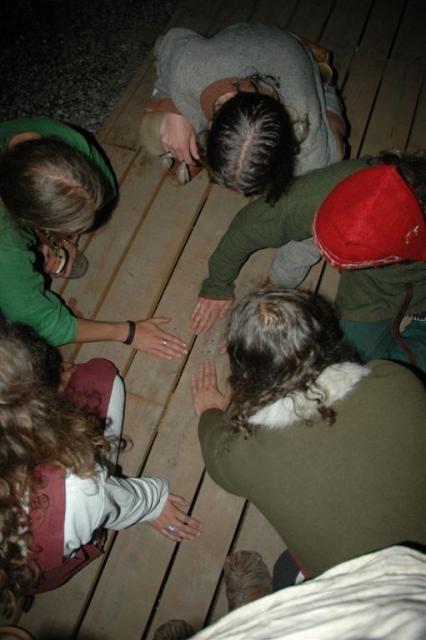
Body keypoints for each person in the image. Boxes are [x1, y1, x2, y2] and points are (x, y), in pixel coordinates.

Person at [191, 288, 426, 579]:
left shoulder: (243, 454)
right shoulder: (396, 379)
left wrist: (210, 411)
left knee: (286, 569)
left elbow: (217, 455)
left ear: (247, 374)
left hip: (360, 590)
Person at [0, 322, 201, 613]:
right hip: (52, 545)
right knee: (100, 374)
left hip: (20, 569)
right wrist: (154, 502)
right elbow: (119, 501)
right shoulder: (69, 488)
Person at [191, 151, 426, 375]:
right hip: (370, 283)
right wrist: (216, 286)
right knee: (351, 364)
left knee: (403, 378)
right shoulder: (328, 190)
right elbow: (248, 226)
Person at [0, 117, 187, 359]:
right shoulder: (5, 248)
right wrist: (127, 332)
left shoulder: (68, 141)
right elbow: (46, 325)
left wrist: (63, 240)